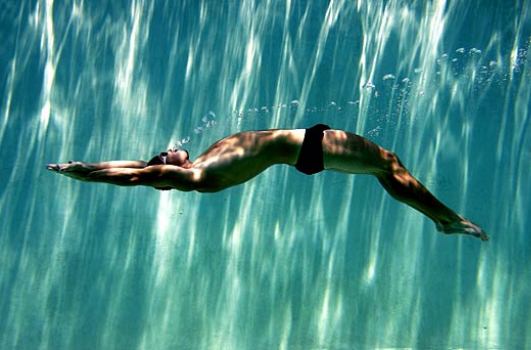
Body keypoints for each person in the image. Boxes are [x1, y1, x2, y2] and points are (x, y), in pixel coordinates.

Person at [46, 124, 489, 241]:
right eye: (165, 155)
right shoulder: (193, 174)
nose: (166, 148)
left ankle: (442, 218)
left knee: (384, 167)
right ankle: (446, 219)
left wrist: (85, 163)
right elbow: (140, 173)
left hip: (307, 144)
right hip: (307, 147)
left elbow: (136, 164)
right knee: (388, 163)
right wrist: (86, 175)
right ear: (169, 171)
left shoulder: (202, 160)